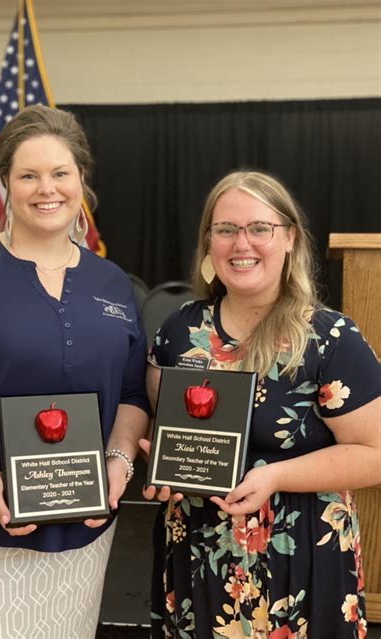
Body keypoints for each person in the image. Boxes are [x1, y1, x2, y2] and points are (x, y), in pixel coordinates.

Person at [0, 104, 149, 639]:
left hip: (83, 530)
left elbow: (133, 394)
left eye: (61, 173)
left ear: (81, 179)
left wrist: (117, 463)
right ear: (6, 184)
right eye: (29, 175)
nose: (48, 189)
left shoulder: (111, 283)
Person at [142, 170, 380, 638]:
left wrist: (274, 476)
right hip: (196, 553)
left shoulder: (331, 339)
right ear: (209, 242)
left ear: (289, 238)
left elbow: (375, 454)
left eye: (259, 228)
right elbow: (164, 432)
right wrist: (162, 474)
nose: (240, 243)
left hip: (302, 560)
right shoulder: (176, 333)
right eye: (225, 229)